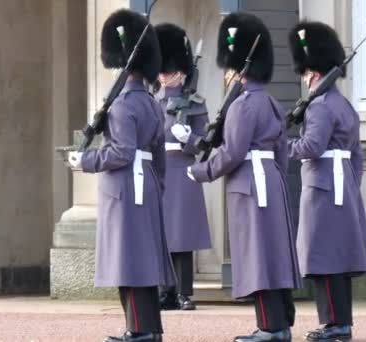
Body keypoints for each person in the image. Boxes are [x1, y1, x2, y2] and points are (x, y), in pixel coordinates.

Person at [188, 12, 302, 342]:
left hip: (250, 185)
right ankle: (279, 322)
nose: (225, 75)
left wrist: (201, 171)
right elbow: (281, 151)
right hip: (270, 180)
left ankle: (271, 328)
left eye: (228, 69)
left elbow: (233, 152)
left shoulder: (241, 106)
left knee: (258, 254)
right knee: (273, 252)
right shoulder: (269, 102)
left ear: (237, 69)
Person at [66, 9, 174, 342]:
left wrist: (85, 160)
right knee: (142, 261)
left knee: (130, 262)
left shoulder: (122, 105)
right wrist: (158, 185)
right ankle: (148, 328)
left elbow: (122, 152)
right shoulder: (153, 103)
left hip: (126, 188)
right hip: (146, 185)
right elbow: (158, 155)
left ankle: (139, 330)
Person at [286, 21, 366, 342]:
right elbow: (358, 156)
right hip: (342, 186)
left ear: (311, 72)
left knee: (324, 256)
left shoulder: (320, 107)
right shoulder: (343, 104)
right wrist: (350, 186)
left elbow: (311, 146)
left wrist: (281, 147)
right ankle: (339, 323)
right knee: (335, 256)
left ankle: (335, 325)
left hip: (323, 187)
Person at [154, 22, 212, 311]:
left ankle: (184, 292)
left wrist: (189, 139)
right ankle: (166, 291)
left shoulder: (195, 103)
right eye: (162, 70)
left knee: (183, 236)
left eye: (168, 69)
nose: (164, 75)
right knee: (162, 235)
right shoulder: (153, 100)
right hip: (160, 168)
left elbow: (206, 143)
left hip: (182, 167)